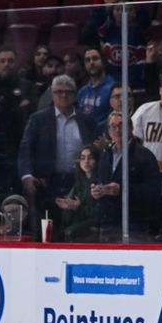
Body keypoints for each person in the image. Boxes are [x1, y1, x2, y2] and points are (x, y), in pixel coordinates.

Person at [18, 74, 98, 236]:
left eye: (68, 92)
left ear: (75, 95)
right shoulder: (38, 119)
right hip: (47, 184)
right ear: (52, 94)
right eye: (59, 91)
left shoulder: (87, 121)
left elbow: (95, 150)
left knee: (76, 231)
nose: (63, 95)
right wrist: (26, 176)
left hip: (78, 183)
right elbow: (25, 150)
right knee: (47, 232)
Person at [93, 111, 161, 242]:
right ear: (108, 130)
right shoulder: (106, 155)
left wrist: (123, 190)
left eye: (121, 125)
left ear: (130, 128)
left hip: (135, 224)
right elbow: (100, 181)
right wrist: (96, 191)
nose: (117, 130)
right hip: (108, 223)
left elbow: (153, 191)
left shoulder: (144, 155)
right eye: (113, 126)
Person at [56, 145, 101, 242]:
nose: (86, 161)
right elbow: (67, 216)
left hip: (92, 232)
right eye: (83, 158)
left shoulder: (100, 183)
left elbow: (99, 215)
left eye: (91, 158)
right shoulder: (78, 184)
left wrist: (78, 207)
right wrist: (67, 206)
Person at [78, 47, 116, 128]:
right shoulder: (82, 92)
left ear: (104, 62)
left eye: (95, 59)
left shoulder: (113, 88)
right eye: (87, 60)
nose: (91, 63)